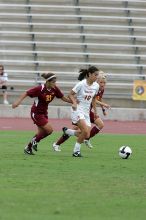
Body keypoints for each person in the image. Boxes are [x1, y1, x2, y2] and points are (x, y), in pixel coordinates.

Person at [12, 72, 72, 155]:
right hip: (36, 113)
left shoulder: (55, 89)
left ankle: (28, 148)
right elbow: (27, 93)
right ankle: (35, 141)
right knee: (49, 130)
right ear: (48, 82)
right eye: (53, 82)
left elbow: (63, 98)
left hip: (44, 113)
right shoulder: (40, 89)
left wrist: (73, 102)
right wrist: (17, 102)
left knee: (40, 133)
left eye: (55, 82)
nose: (55, 84)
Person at [53, 71, 110, 151]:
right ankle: (57, 143)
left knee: (98, 125)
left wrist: (103, 109)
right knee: (78, 129)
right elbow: (93, 99)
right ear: (97, 81)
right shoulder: (91, 86)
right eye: (101, 82)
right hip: (82, 110)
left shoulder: (100, 89)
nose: (103, 84)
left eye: (104, 83)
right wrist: (103, 104)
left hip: (88, 111)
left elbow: (97, 99)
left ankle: (85, 138)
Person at [55, 66, 100, 157]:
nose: (97, 77)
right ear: (89, 74)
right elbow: (70, 94)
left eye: (97, 75)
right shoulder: (81, 84)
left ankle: (68, 132)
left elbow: (94, 99)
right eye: (95, 75)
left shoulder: (96, 86)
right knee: (84, 131)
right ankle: (76, 151)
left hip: (86, 112)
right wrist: (74, 102)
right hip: (77, 109)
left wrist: (95, 112)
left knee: (87, 135)